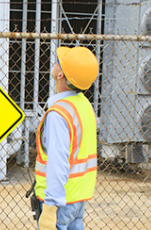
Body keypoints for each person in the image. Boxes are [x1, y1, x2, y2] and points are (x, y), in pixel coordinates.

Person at [35, 46, 99, 230]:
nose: (54, 64)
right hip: (78, 197)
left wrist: (50, 207)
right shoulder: (84, 106)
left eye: (58, 63)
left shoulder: (59, 114)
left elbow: (58, 161)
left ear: (61, 74)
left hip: (59, 202)